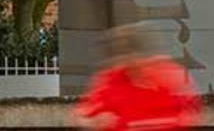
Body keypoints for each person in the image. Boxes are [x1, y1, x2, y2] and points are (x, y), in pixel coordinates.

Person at [74, 25, 202, 131]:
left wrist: (184, 118)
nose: (125, 63)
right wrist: (95, 122)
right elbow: (81, 116)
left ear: (141, 54)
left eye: (129, 56)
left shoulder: (169, 75)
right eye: (119, 57)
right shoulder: (108, 81)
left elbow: (192, 109)